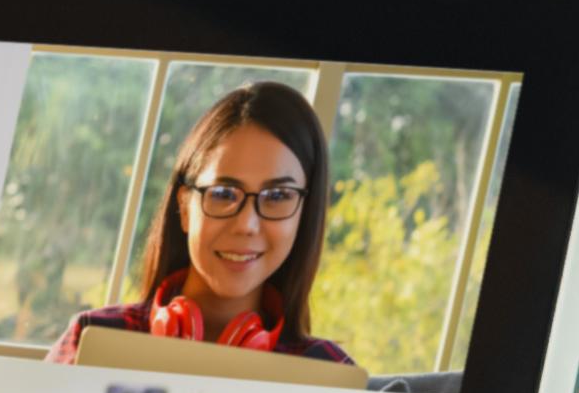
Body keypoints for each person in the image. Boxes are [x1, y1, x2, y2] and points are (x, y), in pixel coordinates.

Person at [51, 80, 362, 369]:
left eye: (278, 195)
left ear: (303, 217)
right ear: (185, 206)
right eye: (224, 193)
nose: (247, 225)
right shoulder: (93, 339)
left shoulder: (327, 370)